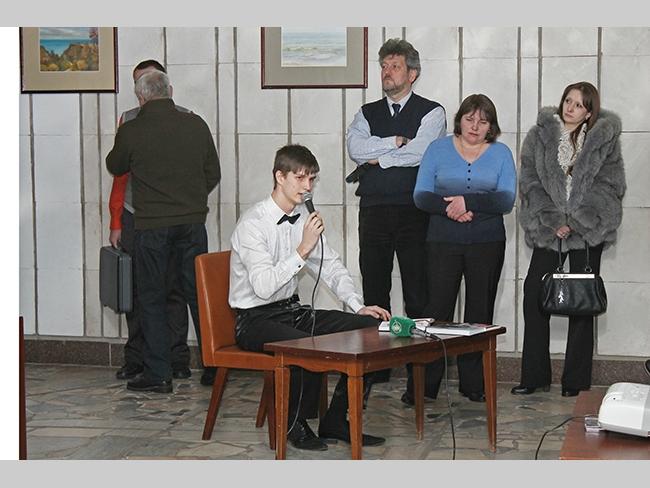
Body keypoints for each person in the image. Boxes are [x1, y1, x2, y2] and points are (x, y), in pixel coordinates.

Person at [230, 144, 390, 451]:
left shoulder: (303, 215)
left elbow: (330, 265)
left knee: (372, 331)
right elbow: (263, 287)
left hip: (291, 311)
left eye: (312, 179)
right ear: (280, 177)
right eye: (300, 178)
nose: (308, 186)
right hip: (254, 319)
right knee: (307, 346)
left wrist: (358, 305)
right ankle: (294, 423)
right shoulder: (252, 224)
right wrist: (302, 249)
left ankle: (337, 419)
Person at [106, 70, 221, 393]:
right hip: (192, 223)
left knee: (152, 296)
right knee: (198, 294)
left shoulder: (132, 129)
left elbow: (115, 165)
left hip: (151, 225)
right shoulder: (196, 124)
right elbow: (213, 172)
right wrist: (191, 199)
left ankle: (158, 372)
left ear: (141, 97)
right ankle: (214, 366)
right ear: (170, 90)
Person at [346, 38, 446, 405]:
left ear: (412, 73)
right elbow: (355, 149)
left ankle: (421, 378)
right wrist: (394, 142)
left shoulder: (432, 111)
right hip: (373, 210)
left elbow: (420, 153)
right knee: (375, 291)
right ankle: (375, 369)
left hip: (413, 211)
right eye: (384, 66)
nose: (387, 72)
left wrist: (379, 157)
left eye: (395, 66)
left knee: (418, 293)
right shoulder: (366, 112)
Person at [512, 81, 625, 397]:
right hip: (548, 231)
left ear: (589, 112)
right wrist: (553, 220)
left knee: (582, 301)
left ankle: (575, 380)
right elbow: (530, 182)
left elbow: (611, 185)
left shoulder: (603, 140)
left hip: (587, 232)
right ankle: (534, 376)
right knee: (534, 294)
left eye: (578, 104)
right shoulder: (539, 136)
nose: (570, 108)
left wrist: (576, 221)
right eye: (567, 101)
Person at [414, 94, 516, 402]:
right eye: (469, 119)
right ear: (459, 120)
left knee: (479, 312)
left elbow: (506, 199)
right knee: (436, 311)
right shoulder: (437, 149)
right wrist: (451, 209)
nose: (475, 126)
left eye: (483, 122)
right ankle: (425, 386)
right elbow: (421, 195)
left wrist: (467, 202)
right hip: (442, 241)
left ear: (491, 127)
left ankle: (473, 385)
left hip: (486, 242)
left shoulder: (501, 153)